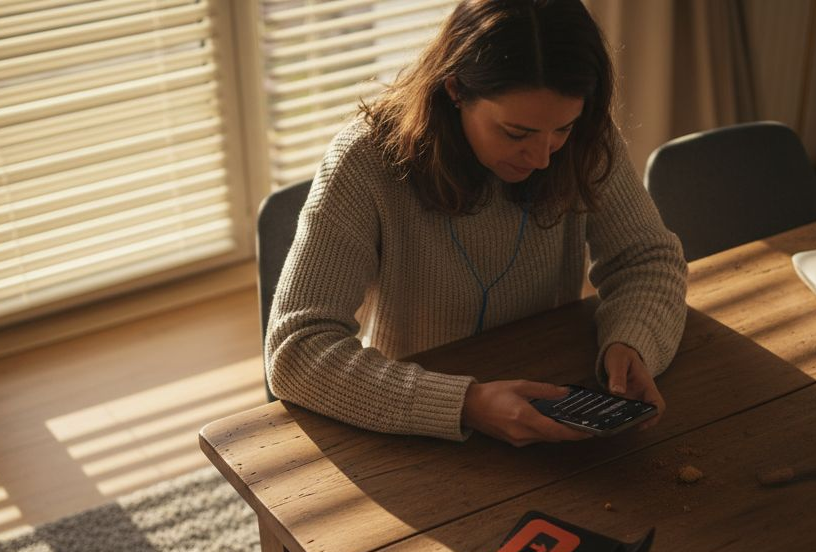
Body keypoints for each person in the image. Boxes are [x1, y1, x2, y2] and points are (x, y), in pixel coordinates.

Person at [265, 0, 687, 447]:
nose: (543, 158)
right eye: (516, 133)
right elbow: (296, 349)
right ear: (456, 90)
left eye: (561, 129)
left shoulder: (584, 143)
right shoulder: (366, 161)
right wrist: (463, 404)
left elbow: (647, 260)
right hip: (412, 431)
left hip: (554, 408)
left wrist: (633, 341)